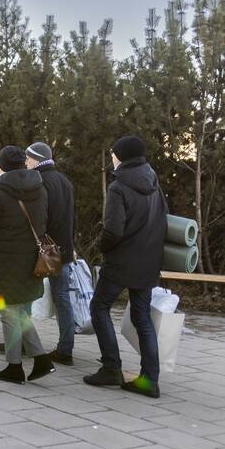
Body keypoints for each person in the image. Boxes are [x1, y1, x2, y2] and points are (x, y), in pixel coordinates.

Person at [84, 136, 168, 398]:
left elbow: (113, 230)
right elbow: (163, 218)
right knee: (141, 317)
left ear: (122, 156)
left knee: (99, 307)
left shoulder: (119, 186)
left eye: (113, 152)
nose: (111, 156)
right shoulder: (153, 180)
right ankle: (149, 380)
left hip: (121, 261)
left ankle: (111, 367)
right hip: (148, 260)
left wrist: (100, 247)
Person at [0, 145, 55, 384]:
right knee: (19, 311)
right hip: (32, 260)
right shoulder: (40, 189)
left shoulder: (0, 193)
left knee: (8, 312)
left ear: (2, 167)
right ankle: (40, 360)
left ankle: (15, 366)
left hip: (6, 260)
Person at [23, 142, 77, 364]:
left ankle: (22, 341)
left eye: (27, 159)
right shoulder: (65, 181)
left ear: (36, 159)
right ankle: (66, 349)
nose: (25, 163)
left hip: (42, 250)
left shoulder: (39, 181)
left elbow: (40, 218)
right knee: (62, 297)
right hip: (63, 249)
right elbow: (72, 218)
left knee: (24, 292)